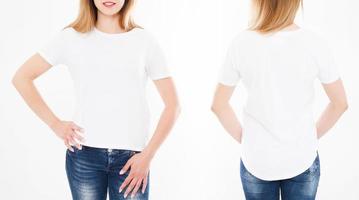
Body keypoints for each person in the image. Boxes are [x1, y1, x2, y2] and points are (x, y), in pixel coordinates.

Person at [12, 0, 181, 199]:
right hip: (84, 156)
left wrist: (148, 156)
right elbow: (21, 78)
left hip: (132, 160)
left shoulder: (144, 41)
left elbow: (173, 105)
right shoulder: (71, 37)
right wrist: (55, 124)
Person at [211, 0, 348, 199]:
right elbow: (340, 103)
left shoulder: (241, 43)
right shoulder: (315, 42)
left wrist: (247, 139)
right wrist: (309, 135)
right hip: (301, 157)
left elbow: (218, 105)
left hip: (257, 160)